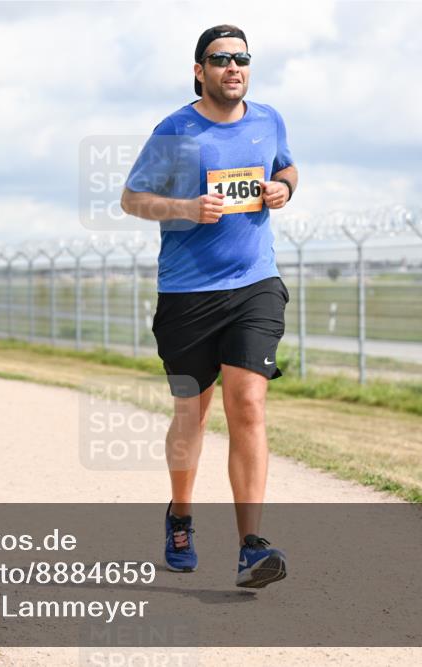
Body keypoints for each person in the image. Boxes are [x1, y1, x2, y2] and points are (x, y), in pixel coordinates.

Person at [120, 25, 298, 588]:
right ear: (199, 70)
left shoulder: (269, 119)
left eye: (242, 58)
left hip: (255, 285)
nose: (233, 67)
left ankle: (251, 546)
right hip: (187, 294)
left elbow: (288, 166)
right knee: (191, 415)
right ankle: (180, 515)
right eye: (220, 59)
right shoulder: (175, 130)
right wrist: (185, 207)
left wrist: (284, 190)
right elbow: (131, 199)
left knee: (247, 403)